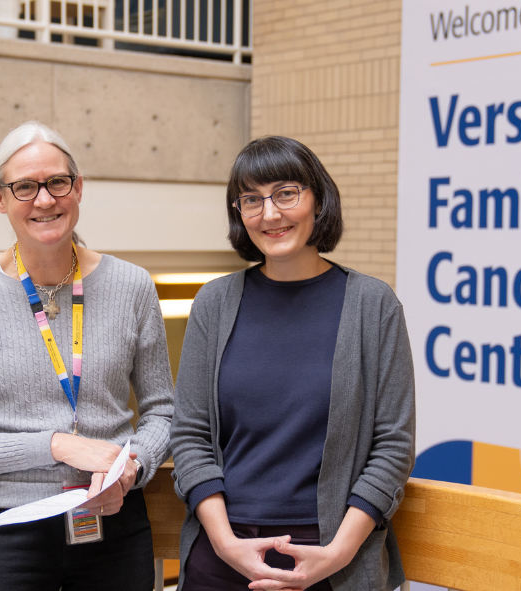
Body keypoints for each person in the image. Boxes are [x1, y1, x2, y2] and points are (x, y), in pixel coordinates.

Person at [0, 121, 173, 591]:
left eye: (57, 182)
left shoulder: (133, 285)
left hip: (113, 518)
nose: (44, 199)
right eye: (25, 187)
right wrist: (55, 444)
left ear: (78, 188)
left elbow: (164, 412)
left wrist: (131, 465)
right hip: (5, 529)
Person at [170, 136, 415, 591]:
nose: (270, 213)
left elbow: (393, 446)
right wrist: (224, 543)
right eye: (251, 200)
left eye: (286, 193)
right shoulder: (214, 303)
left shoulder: (372, 305)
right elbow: (189, 435)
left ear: (318, 200)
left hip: (329, 558)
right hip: (223, 557)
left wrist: (338, 553)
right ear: (239, 214)